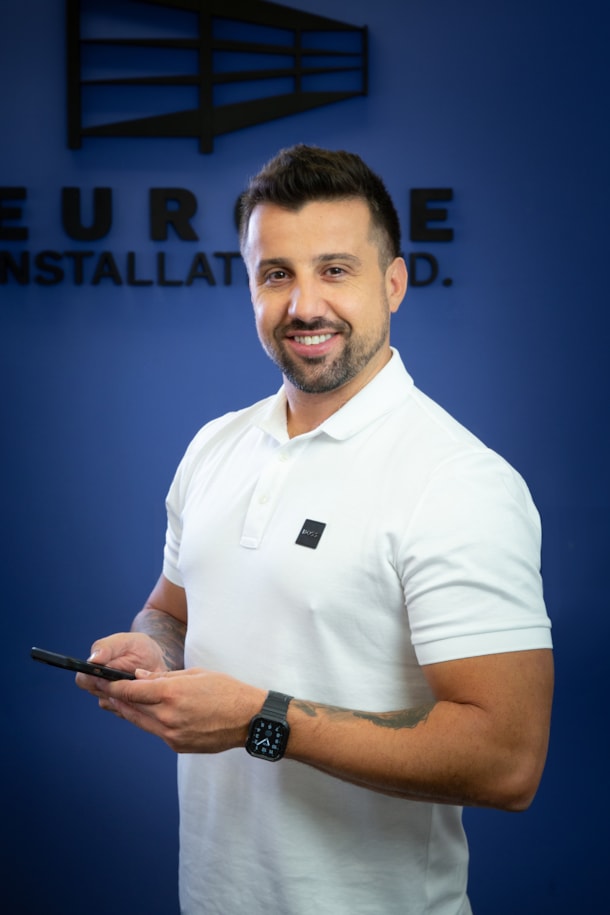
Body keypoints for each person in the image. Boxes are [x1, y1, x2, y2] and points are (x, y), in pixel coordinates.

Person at [77, 145, 554, 915]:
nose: (304, 304)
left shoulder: (457, 479)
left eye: (335, 269)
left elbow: (507, 761)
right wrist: (153, 650)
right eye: (277, 274)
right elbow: (171, 609)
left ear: (392, 283)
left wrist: (259, 720)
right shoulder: (215, 447)